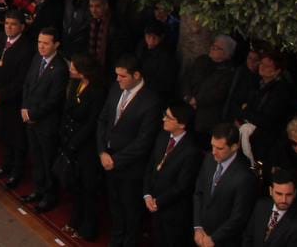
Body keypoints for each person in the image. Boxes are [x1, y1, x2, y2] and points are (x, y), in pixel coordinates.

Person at [98, 56, 165, 247]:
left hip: (131, 168)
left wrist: (116, 160)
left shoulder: (151, 101)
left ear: (136, 75)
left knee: (130, 210)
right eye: (116, 75)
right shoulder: (114, 89)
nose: (118, 79)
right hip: (108, 160)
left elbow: (144, 141)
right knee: (115, 207)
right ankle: (116, 239)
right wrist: (102, 152)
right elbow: (103, 120)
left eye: (122, 76)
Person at [21, 26, 69, 213]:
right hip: (30, 118)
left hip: (46, 124)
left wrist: (33, 114)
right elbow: (27, 84)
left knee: (48, 161)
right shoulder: (37, 59)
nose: (41, 46)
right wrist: (25, 108)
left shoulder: (60, 68)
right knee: (36, 159)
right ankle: (38, 189)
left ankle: (50, 196)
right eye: (39, 42)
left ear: (56, 44)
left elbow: (54, 100)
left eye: (45, 43)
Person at [60, 53, 107, 241]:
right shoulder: (75, 85)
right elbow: (68, 109)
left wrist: (75, 142)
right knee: (75, 186)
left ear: (84, 71)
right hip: (71, 141)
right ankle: (74, 219)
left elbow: (92, 122)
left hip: (86, 146)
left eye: (74, 67)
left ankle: (88, 227)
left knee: (87, 188)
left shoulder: (97, 91)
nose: (70, 69)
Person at [143, 101, 203, 247]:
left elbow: (182, 185)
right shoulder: (163, 136)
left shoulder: (191, 151)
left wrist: (159, 201)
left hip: (174, 213)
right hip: (154, 205)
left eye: (169, 117)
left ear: (182, 125)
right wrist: (147, 194)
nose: (164, 119)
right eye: (165, 115)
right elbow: (151, 165)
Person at [0, 8, 35, 188]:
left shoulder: (26, 48)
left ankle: (16, 172)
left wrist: (0, 94)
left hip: (13, 101)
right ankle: (5, 165)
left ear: (21, 27)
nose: (9, 27)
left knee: (16, 138)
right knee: (2, 134)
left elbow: (21, 80)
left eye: (13, 24)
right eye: (7, 23)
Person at [193, 122, 258, 247]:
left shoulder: (245, 176)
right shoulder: (209, 159)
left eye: (220, 148)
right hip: (201, 235)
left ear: (234, 147)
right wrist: (198, 227)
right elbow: (199, 193)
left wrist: (214, 238)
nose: (214, 152)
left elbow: (239, 217)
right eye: (212, 146)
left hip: (225, 241)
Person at [244, 168, 297, 247]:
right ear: (271, 191)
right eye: (279, 194)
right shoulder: (261, 205)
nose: (284, 200)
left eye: (288, 195)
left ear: (295, 194)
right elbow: (248, 237)